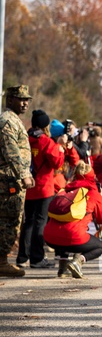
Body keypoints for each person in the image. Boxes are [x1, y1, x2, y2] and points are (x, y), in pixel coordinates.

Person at [18, 109, 65, 269]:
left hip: (28, 186)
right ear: (46, 125)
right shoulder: (47, 142)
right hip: (44, 187)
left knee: (28, 222)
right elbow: (57, 164)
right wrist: (60, 149)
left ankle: (22, 257)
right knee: (40, 222)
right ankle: (37, 258)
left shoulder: (25, 138)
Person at [43, 162, 102, 278]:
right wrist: (101, 198)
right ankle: (78, 262)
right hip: (74, 237)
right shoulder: (93, 193)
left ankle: (63, 268)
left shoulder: (64, 190)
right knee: (99, 246)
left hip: (50, 237)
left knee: (67, 232)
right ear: (92, 177)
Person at [0, 85, 34, 277]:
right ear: (10, 99)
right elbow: (11, 152)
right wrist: (24, 174)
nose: (25, 103)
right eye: (21, 99)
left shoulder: (14, 120)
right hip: (8, 181)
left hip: (12, 180)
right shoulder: (7, 121)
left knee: (12, 220)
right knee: (7, 221)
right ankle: (1, 261)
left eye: (27, 100)